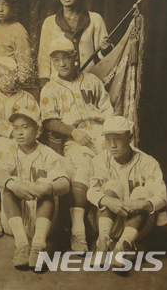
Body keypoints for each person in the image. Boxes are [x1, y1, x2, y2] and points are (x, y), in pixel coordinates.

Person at [40, 36, 114, 253]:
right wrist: (73, 132)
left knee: (122, 162)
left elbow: (108, 110)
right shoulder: (50, 88)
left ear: (75, 58)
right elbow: (49, 121)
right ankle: (78, 232)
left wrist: (110, 135)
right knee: (83, 166)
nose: (61, 63)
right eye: (56, 60)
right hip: (74, 138)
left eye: (65, 57)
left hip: (102, 133)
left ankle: (118, 228)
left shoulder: (92, 81)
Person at [0, 105, 70, 270]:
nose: (19, 132)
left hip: (45, 223)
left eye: (25, 127)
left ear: (37, 130)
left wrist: (47, 188)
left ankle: (38, 246)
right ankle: (21, 245)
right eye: (16, 128)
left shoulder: (47, 153)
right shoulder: (8, 150)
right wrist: (14, 185)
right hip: (14, 223)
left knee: (46, 185)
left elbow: (65, 184)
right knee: (10, 183)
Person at [87, 116, 167, 267]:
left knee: (141, 191)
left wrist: (143, 205)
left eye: (118, 139)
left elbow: (162, 197)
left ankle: (123, 246)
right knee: (113, 186)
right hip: (106, 223)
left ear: (130, 137)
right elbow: (90, 192)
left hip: (137, 225)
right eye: (108, 139)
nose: (112, 145)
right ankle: (102, 243)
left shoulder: (147, 161)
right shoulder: (99, 161)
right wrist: (109, 201)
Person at [0, 56, 38, 238]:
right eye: (0, 74)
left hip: (23, 146)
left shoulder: (27, 98)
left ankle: (20, 219)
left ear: (16, 75)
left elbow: (36, 123)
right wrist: (10, 132)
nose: (5, 79)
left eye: (9, 74)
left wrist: (21, 137)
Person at [38, 0, 112, 85]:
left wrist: (105, 49)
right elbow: (44, 56)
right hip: (58, 84)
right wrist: (45, 80)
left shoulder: (95, 19)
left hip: (88, 83)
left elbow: (104, 56)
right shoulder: (50, 22)